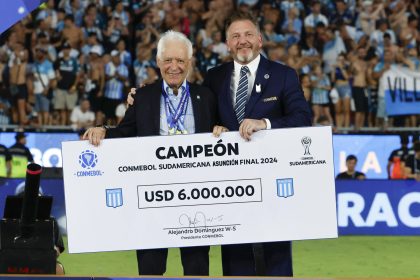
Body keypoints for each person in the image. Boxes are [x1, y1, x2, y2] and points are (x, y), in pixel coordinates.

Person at [83, 31, 216, 276]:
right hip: (152, 197)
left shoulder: (206, 97)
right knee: (150, 269)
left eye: (180, 61)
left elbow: (219, 136)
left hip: (195, 196)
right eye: (168, 60)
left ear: (189, 62)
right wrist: (103, 131)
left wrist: (223, 130)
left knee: (197, 268)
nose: (173, 67)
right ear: (158, 62)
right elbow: (125, 132)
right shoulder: (143, 96)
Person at [203, 11, 312, 276]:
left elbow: (303, 118)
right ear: (227, 43)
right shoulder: (213, 77)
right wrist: (213, 128)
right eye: (236, 36)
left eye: (249, 34)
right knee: (235, 263)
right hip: (230, 189)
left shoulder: (283, 75)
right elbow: (202, 118)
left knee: (276, 262)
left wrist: (266, 124)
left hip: (273, 187)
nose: (243, 41)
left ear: (260, 40)